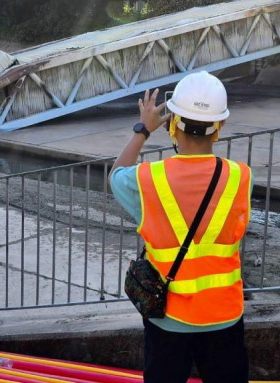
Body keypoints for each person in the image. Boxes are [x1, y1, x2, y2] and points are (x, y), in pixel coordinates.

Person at [109, 71, 252, 383]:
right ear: (220, 127)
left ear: (172, 123)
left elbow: (116, 173)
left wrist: (142, 130)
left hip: (168, 321)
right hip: (225, 317)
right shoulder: (241, 178)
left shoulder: (146, 180)